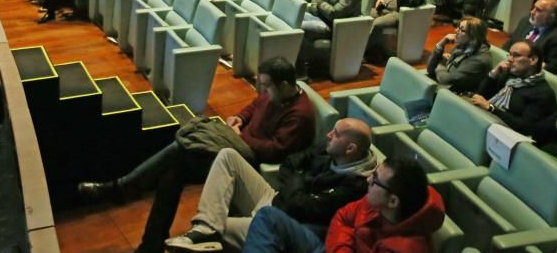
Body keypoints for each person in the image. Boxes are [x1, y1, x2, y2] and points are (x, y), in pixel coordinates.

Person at [78, 57, 315, 253]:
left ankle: (122, 190)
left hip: (247, 161)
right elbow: (255, 104)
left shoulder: (300, 115)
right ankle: (149, 242)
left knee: (181, 152)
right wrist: (240, 118)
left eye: (268, 86)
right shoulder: (278, 94)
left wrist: (240, 136)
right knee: (173, 171)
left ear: (284, 85)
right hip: (234, 143)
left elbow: (275, 150)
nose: (264, 90)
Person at [164, 118, 377, 251]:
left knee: (223, 225)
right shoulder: (328, 147)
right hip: (275, 198)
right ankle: (205, 228)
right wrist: (298, 184)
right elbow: (291, 162)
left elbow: (302, 208)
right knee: (228, 155)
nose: (329, 135)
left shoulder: (356, 185)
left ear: (350, 149)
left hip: (282, 222)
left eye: (336, 134)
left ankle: (211, 232)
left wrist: (297, 181)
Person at [242, 157, 445, 253]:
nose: (367, 181)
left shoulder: (407, 249)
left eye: (375, 180)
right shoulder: (376, 202)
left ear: (393, 201)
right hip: (333, 248)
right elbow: (342, 217)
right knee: (268, 216)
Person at [299, 0, 365, 75]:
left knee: (299, 27)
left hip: (336, 27)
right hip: (321, 18)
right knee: (295, 18)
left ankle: (301, 70)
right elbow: (314, 2)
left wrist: (320, 5)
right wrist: (321, 6)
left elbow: (335, 14)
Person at [471, 40, 555, 135]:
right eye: (509, 54)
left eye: (516, 55)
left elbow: (525, 127)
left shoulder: (543, 94)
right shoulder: (509, 76)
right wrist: (494, 74)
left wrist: (491, 108)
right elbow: (481, 96)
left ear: (533, 60)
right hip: (487, 123)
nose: (510, 59)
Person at [504, 0, 557, 74]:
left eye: (538, 10)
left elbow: (553, 68)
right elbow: (510, 43)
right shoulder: (525, 22)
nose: (532, 12)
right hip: (508, 66)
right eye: (533, 8)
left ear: (551, 17)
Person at [425, 16, 492, 93]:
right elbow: (430, 69)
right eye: (458, 28)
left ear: (474, 36)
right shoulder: (463, 46)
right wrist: (441, 44)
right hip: (443, 88)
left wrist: (440, 63)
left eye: (462, 30)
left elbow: (447, 80)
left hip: (457, 96)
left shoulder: (479, 60)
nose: (456, 31)